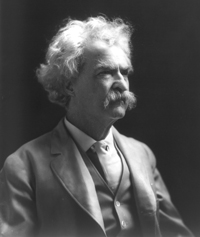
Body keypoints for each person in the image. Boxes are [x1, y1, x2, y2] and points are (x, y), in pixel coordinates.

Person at [0, 16, 194, 237]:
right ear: (69, 85)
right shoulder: (23, 166)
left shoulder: (142, 154)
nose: (122, 84)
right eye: (106, 72)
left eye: (125, 72)